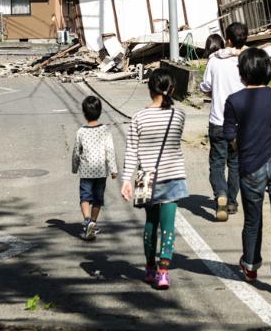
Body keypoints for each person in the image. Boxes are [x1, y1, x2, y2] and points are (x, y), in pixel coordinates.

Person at [223, 47, 271, 294]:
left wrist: (244, 141)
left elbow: (230, 137)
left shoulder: (233, 101)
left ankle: (251, 265)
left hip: (250, 167)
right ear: (267, 70)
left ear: (242, 72)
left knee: (253, 220)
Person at [120, 69, 187, 290]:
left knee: (150, 223)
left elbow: (132, 151)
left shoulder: (138, 117)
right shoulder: (179, 115)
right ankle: (164, 272)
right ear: (172, 90)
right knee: (168, 226)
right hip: (173, 176)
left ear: (149, 89)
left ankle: (149, 268)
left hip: (146, 179)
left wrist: (126, 180)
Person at [199, 22, 248, 221]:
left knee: (217, 163)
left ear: (227, 40)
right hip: (240, 123)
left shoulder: (214, 61)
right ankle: (232, 202)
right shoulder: (246, 60)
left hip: (218, 120)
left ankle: (220, 194)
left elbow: (206, 86)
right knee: (235, 163)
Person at [73, 96, 117, 242]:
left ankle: (87, 221)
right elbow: (109, 151)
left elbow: (76, 152)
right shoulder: (105, 130)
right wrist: (113, 169)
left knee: (85, 197)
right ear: (100, 112)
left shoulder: (80, 132)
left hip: (86, 171)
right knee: (98, 199)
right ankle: (93, 221)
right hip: (101, 172)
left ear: (84, 113)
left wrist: (74, 167)